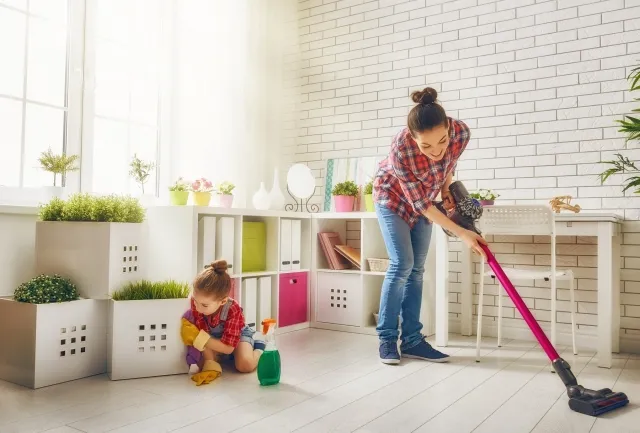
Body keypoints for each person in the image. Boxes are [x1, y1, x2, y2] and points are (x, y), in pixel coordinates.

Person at [373, 86, 487, 365]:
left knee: (417, 270)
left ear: (449, 127)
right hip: (392, 198)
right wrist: (463, 233)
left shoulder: (460, 133)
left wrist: (446, 188)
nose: (436, 151)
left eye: (442, 141)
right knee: (402, 264)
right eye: (426, 146)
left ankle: (412, 340)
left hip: (425, 198)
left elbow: (447, 165)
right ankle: (387, 339)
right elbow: (421, 204)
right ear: (413, 138)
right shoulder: (400, 147)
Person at [180, 260, 265, 385]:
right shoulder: (198, 303)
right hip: (213, 336)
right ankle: (225, 357)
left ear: (223, 301)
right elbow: (204, 332)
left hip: (237, 336)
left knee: (244, 365)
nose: (197, 308)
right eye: (195, 301)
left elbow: (228, 347)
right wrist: (209, 361)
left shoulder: (232, 308)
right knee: (204, 363)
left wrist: (200, 338)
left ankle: (259, 347)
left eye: (204, 305)